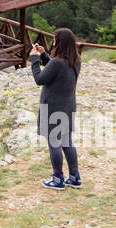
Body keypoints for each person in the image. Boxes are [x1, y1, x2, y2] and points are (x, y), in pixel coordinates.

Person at [31, 28, 82, 190]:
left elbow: (40, 79)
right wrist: (44, 56)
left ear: (59, 42)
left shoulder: (57, 63)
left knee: (54, 143)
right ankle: (74, 177)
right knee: (67, 142)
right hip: (68, 106)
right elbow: (56, 72)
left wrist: (34, 60)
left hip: (52, 107)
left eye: (54, 39)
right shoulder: (75, 60)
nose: (52, 42)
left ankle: (58, 179)